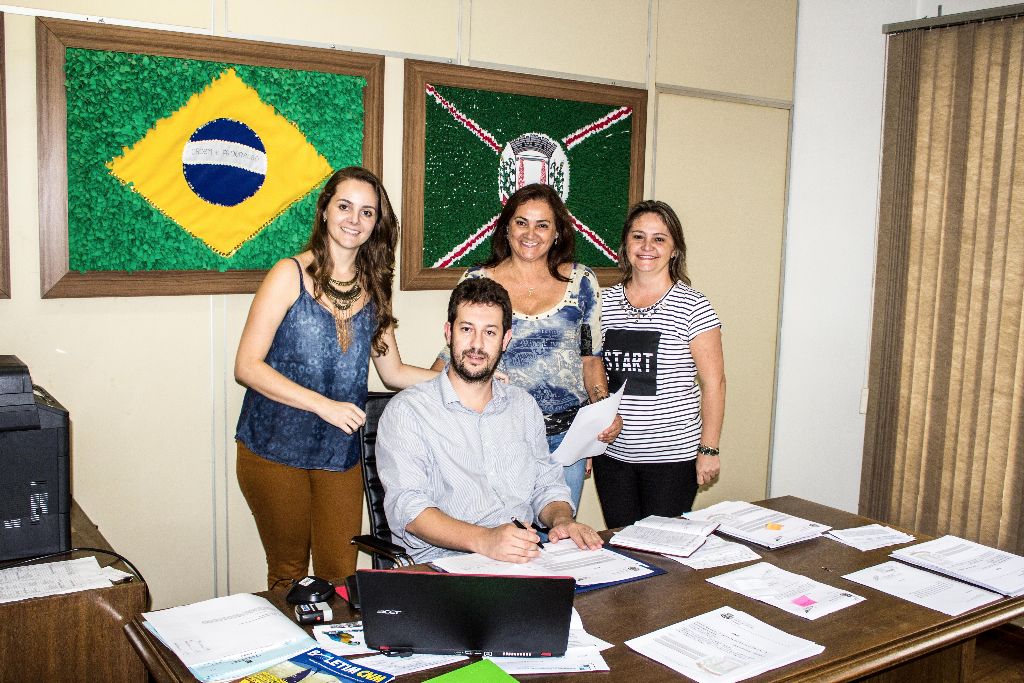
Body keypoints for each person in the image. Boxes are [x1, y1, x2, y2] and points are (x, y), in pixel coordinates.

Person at [234, 166, 437, 589]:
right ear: (325, 209)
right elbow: (247, 366)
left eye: (367, 213)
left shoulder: (375, 286)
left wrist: (461, 381)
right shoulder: (287, 275)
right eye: (345, 206)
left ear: (376, 223)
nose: (354, 220)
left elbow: (394, 371)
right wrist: (322, 405)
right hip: (273, 451)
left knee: (341, 578)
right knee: (288, 575)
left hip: (338, 455)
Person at [378, 277, 605, 564]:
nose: (476, 344)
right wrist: (485, 540)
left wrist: (562, 520)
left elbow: (546, 485)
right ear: (448, 333)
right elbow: (408, 510)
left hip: (520, 559)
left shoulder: (522, 406)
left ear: (505, 340)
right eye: (466, 329)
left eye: (489, 332)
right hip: (442, 566)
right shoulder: (408, 411)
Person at [430, 184, 621, 513]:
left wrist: (601, 416)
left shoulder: (582, 281)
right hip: (498, 438)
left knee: (557, 541)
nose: (530, 233)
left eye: (542, 224)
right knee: (506, 541)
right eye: (521, 222)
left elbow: (591, 360)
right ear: (507, 228)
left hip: (567, 442)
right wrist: (418, 405)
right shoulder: (478, 280)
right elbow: (453, 357)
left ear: (557, 232)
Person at [595, 200, 726, 528]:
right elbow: (590, 372)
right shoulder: (602, 303)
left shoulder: (693, 306)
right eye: (638, 237)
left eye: (659, 239)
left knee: (662, 555)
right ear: (625, 245)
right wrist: (585, 444)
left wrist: (709, 448)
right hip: (612, 459)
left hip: (672, 462)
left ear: (675, 249)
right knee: (622, 548)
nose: (647, 247)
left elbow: (714, 383)